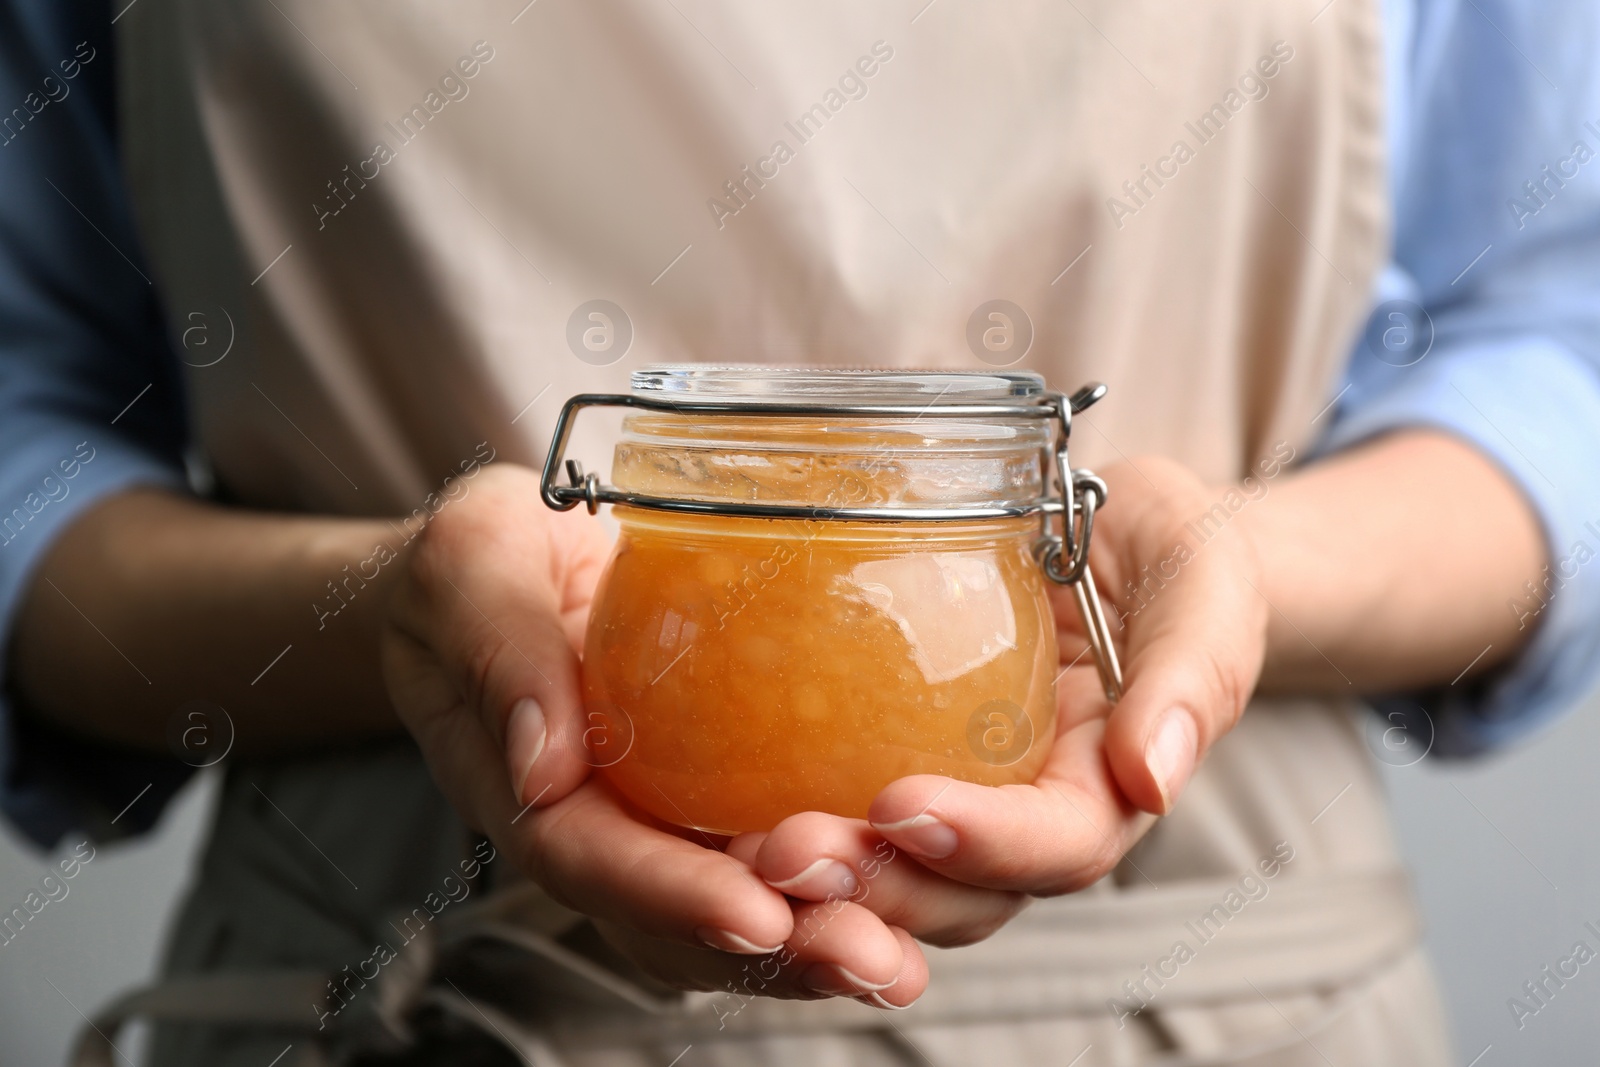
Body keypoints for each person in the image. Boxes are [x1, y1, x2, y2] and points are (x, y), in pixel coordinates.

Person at [3, 0, 1599, 1064]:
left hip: (1217, 995)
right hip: (401, 996)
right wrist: (394, 612)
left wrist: (1242, 575)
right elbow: (28, 433)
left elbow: (1556, 343)